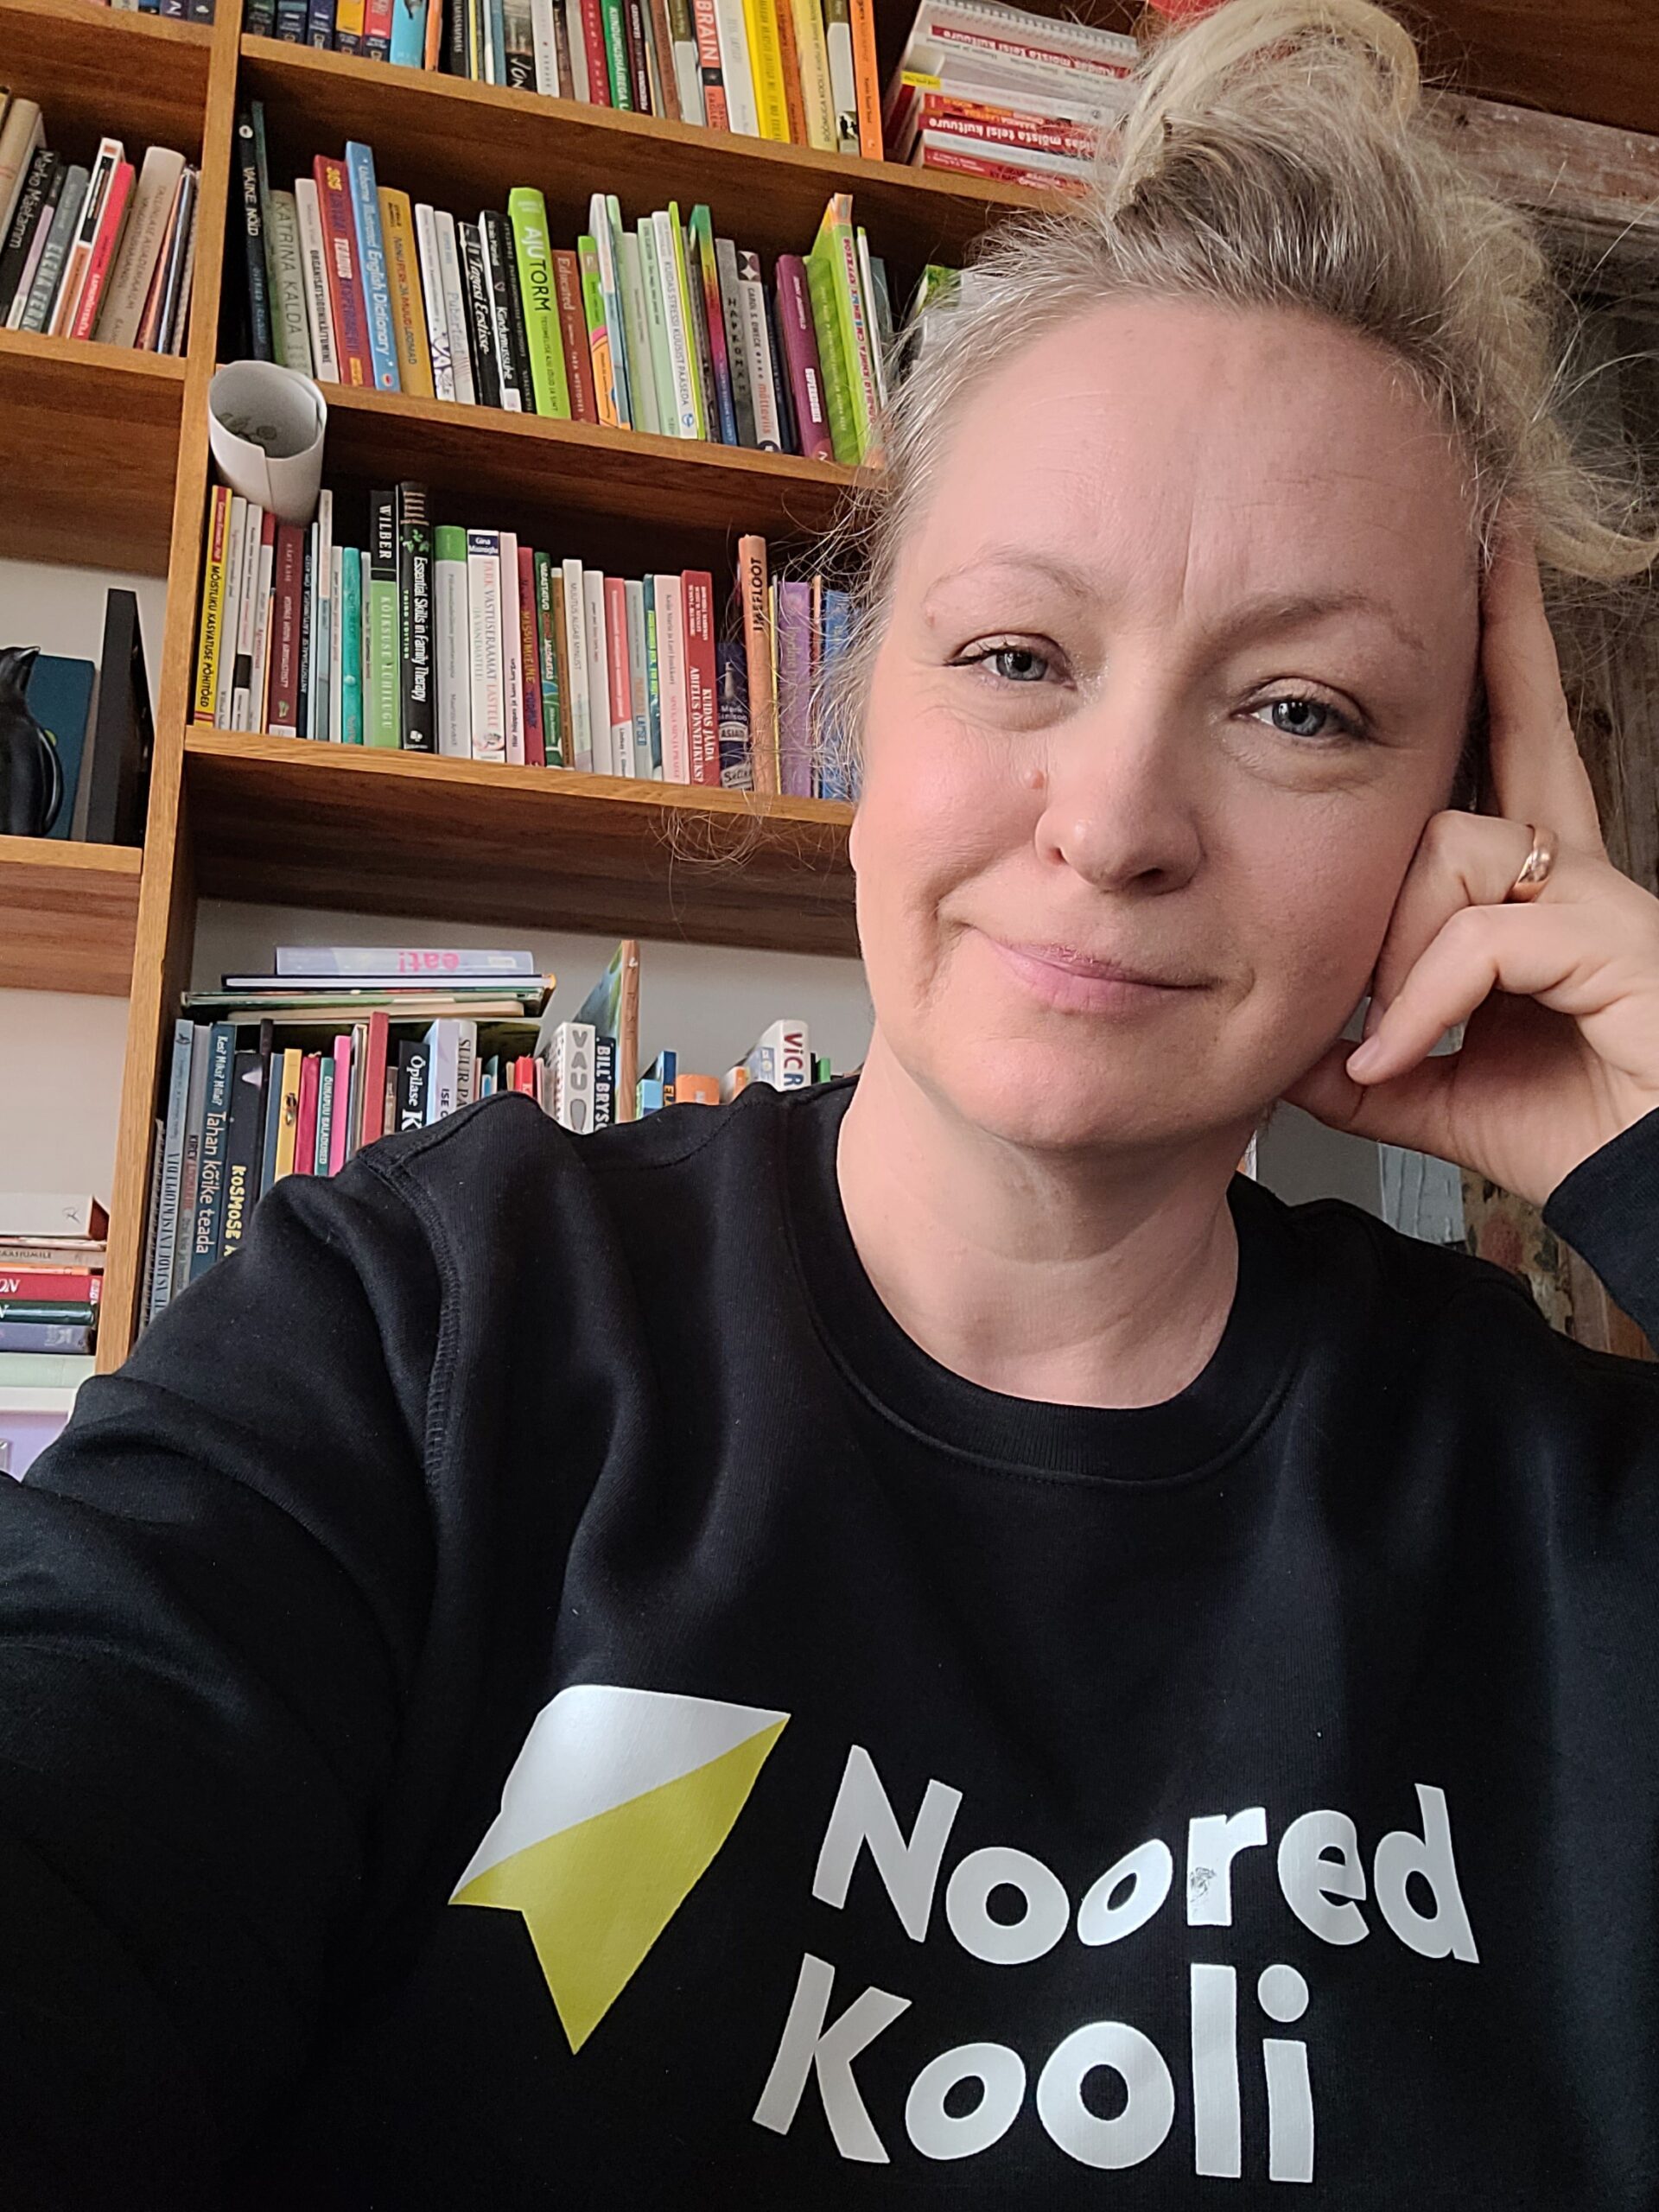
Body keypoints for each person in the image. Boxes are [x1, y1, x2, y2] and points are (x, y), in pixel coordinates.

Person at [6, 0, 1659, 2202]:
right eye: (1017, 656)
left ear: (1460, 823)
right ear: (862, 714)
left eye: (1301, 707)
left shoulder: (1554, 1507)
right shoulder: (425, 1325)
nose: (1114, 821)